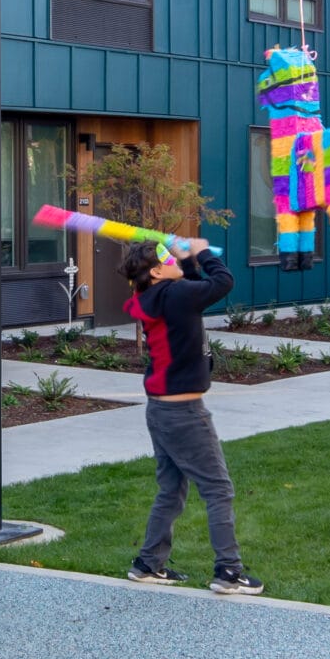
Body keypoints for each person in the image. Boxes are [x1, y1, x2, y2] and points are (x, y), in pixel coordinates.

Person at [118, 241, 263, 597]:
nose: (174, 261)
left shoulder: (161, 297)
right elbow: (223, 282)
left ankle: (148, 564)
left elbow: (198, 287)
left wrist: (186, 261)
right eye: (167, 259)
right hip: (185, 413)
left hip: (160, 410)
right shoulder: (177, 295)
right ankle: (229, 570)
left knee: (172, 489)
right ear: (155, 272)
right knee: (218, 489)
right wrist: (202, 252)